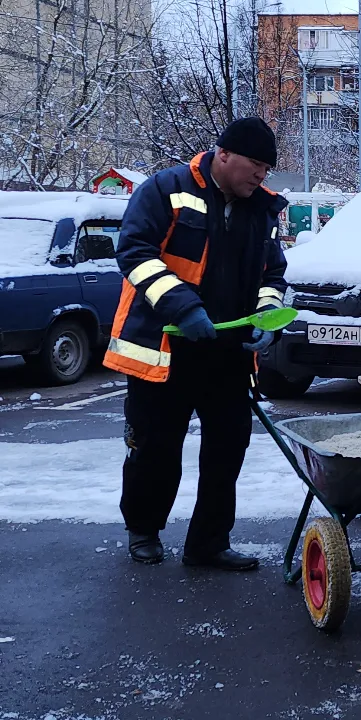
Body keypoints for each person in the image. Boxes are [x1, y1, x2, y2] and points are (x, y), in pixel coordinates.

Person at [105, 117, 288, 570]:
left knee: (228, 447)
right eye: (256, 165)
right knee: (155, 446)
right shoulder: (166, 189)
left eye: (267, 168)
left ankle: (208, 542)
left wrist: (266, 313)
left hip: (226, 354)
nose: (262, 175)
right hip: (166, 349)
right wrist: (183, 306)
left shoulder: (261, 209)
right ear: (224, 155)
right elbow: (135, 252)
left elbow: (272, 273)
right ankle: (144, 531)